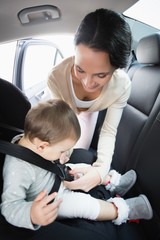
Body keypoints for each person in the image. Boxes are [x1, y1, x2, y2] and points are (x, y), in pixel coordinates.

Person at [1, 99, 153, 232]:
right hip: (54, 199)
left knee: (82, 167)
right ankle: (123, 210)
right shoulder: (17, 170)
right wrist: (32, 214)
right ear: (42, 146)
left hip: (55, 175)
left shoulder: (33, 142)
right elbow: (9, 206)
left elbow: (50, 158)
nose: (66, 153)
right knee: (85, 205)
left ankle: (113, 183)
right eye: (62, 150)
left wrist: (63, 158)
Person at [47, 8, 133, 193]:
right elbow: (63, 122)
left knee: (84, 159)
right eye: (80, 69)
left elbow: (109, 131)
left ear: (117, 68)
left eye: (101, 75)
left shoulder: (122, 85)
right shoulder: (56, 77)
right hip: (66, 115)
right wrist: (63, 151)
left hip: (92, 112)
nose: (87, 83)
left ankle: (112, 180)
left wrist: (101, 170)